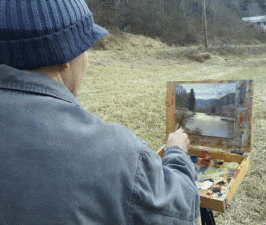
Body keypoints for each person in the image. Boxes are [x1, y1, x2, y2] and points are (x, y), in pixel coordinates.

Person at [0, 0, 200, 224]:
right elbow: (180, 210)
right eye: (85, 47)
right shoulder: (117, 155)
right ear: (65, 54)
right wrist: (177, 154)